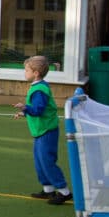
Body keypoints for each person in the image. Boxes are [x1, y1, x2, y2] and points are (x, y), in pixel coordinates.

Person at [14, 55, 70, 206]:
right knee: (39, 161)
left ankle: (64, 191)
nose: (24, 72)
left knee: (47, 161)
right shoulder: (38, 87)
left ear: (36, 73)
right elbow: (36, 109)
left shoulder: (40, 90)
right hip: (40, 131)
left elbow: (38, 110)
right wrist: (24, 112)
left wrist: (25, 107)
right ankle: (48, 189)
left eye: (26, 70)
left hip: (47, 131)